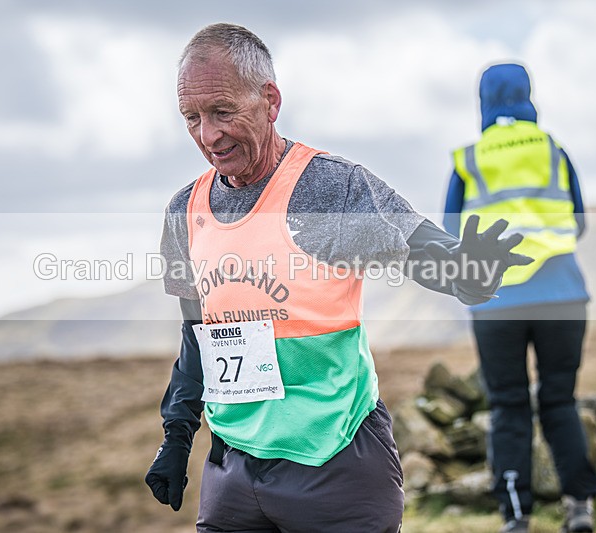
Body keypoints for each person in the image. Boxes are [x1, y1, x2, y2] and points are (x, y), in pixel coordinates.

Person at [145, 23, 531, 533]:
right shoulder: (185, 210)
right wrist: (176, 435)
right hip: (233, 472)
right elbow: (198, 336)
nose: (207, 135)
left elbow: (426, 253)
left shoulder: (330, 188)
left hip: (336, 464)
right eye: (191, 118)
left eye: (222, 111)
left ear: (270, 100)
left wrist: (469, 274)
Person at [443, 63, 596, 533]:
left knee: (508, 405)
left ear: (484, 101)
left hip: (496, 301)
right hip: (562, 295)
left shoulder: (469, 159)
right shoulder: (554, 150)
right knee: (559, 400)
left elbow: (452, 231)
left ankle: (515, 515)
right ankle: (579, 506)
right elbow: (578, 221)